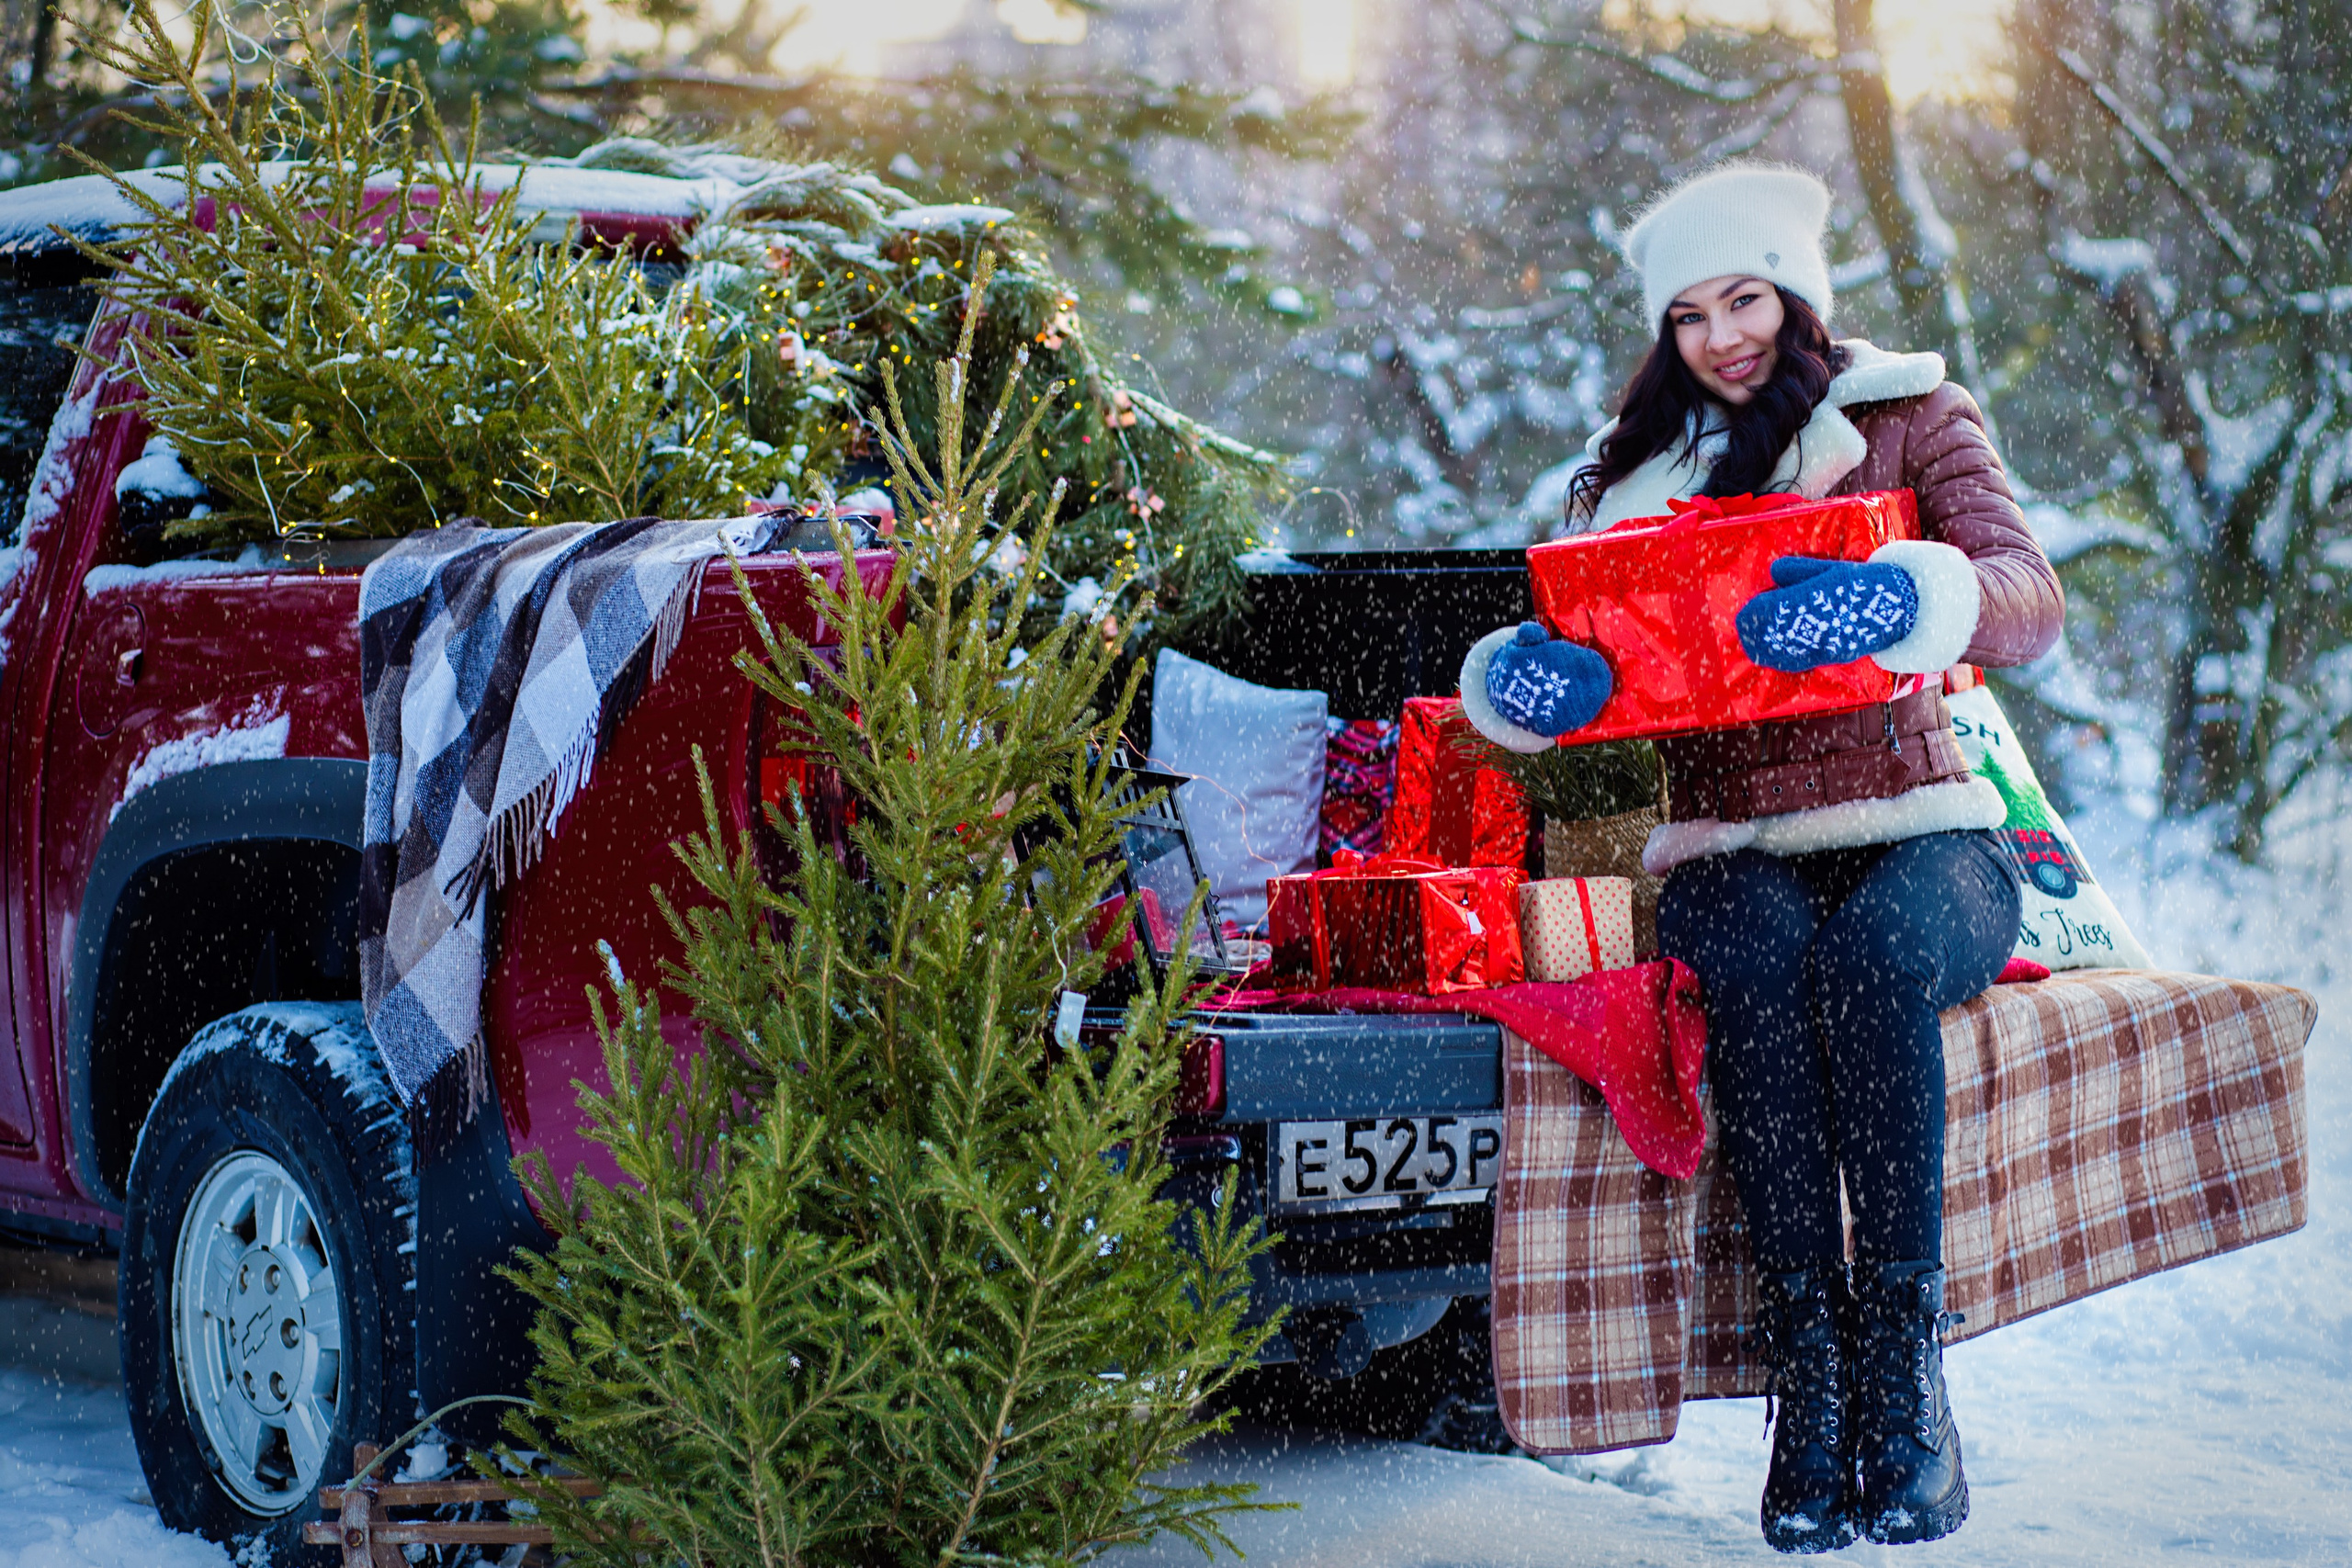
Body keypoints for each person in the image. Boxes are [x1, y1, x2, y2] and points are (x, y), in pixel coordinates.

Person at [1459, 163, 2063, 1553]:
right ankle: (1812, 1365)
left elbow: (2030, 598)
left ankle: (1906, 1372)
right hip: (1733, 840)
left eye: (1744, 297)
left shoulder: (1910, 416)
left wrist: (1909, 598)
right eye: (1688, 315)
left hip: (1925, 831)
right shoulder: (1621, 483)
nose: (1724, 337)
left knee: (1869, 958)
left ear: (1796, 293)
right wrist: (1530, 690)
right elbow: (1572, 664)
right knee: (1739, 948)